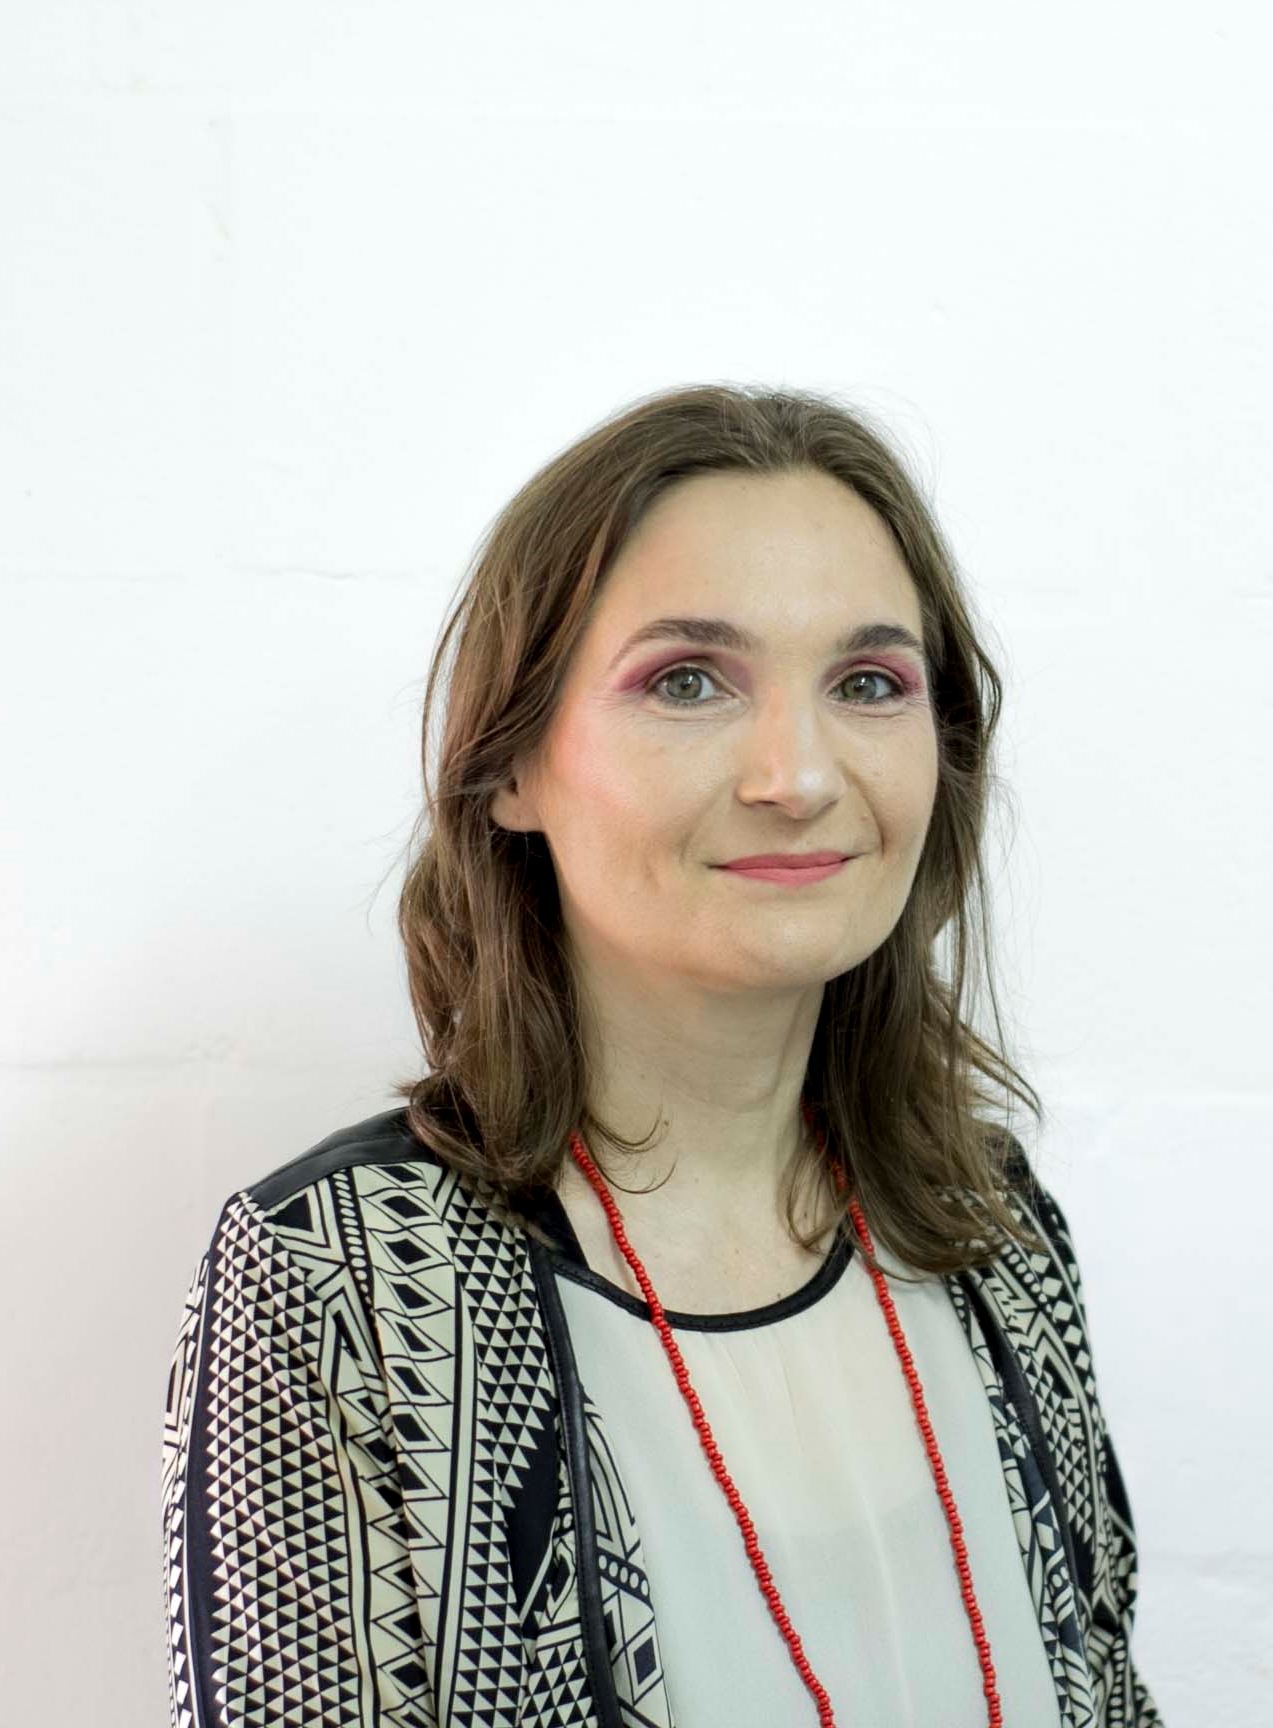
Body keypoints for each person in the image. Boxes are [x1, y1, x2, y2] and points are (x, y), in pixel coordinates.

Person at [160, 383, 1163, 1727]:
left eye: (869, 684)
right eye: (688, 682)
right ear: (511, 766)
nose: (798, 775)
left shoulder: (994, 1231)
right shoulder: (343, 1278)